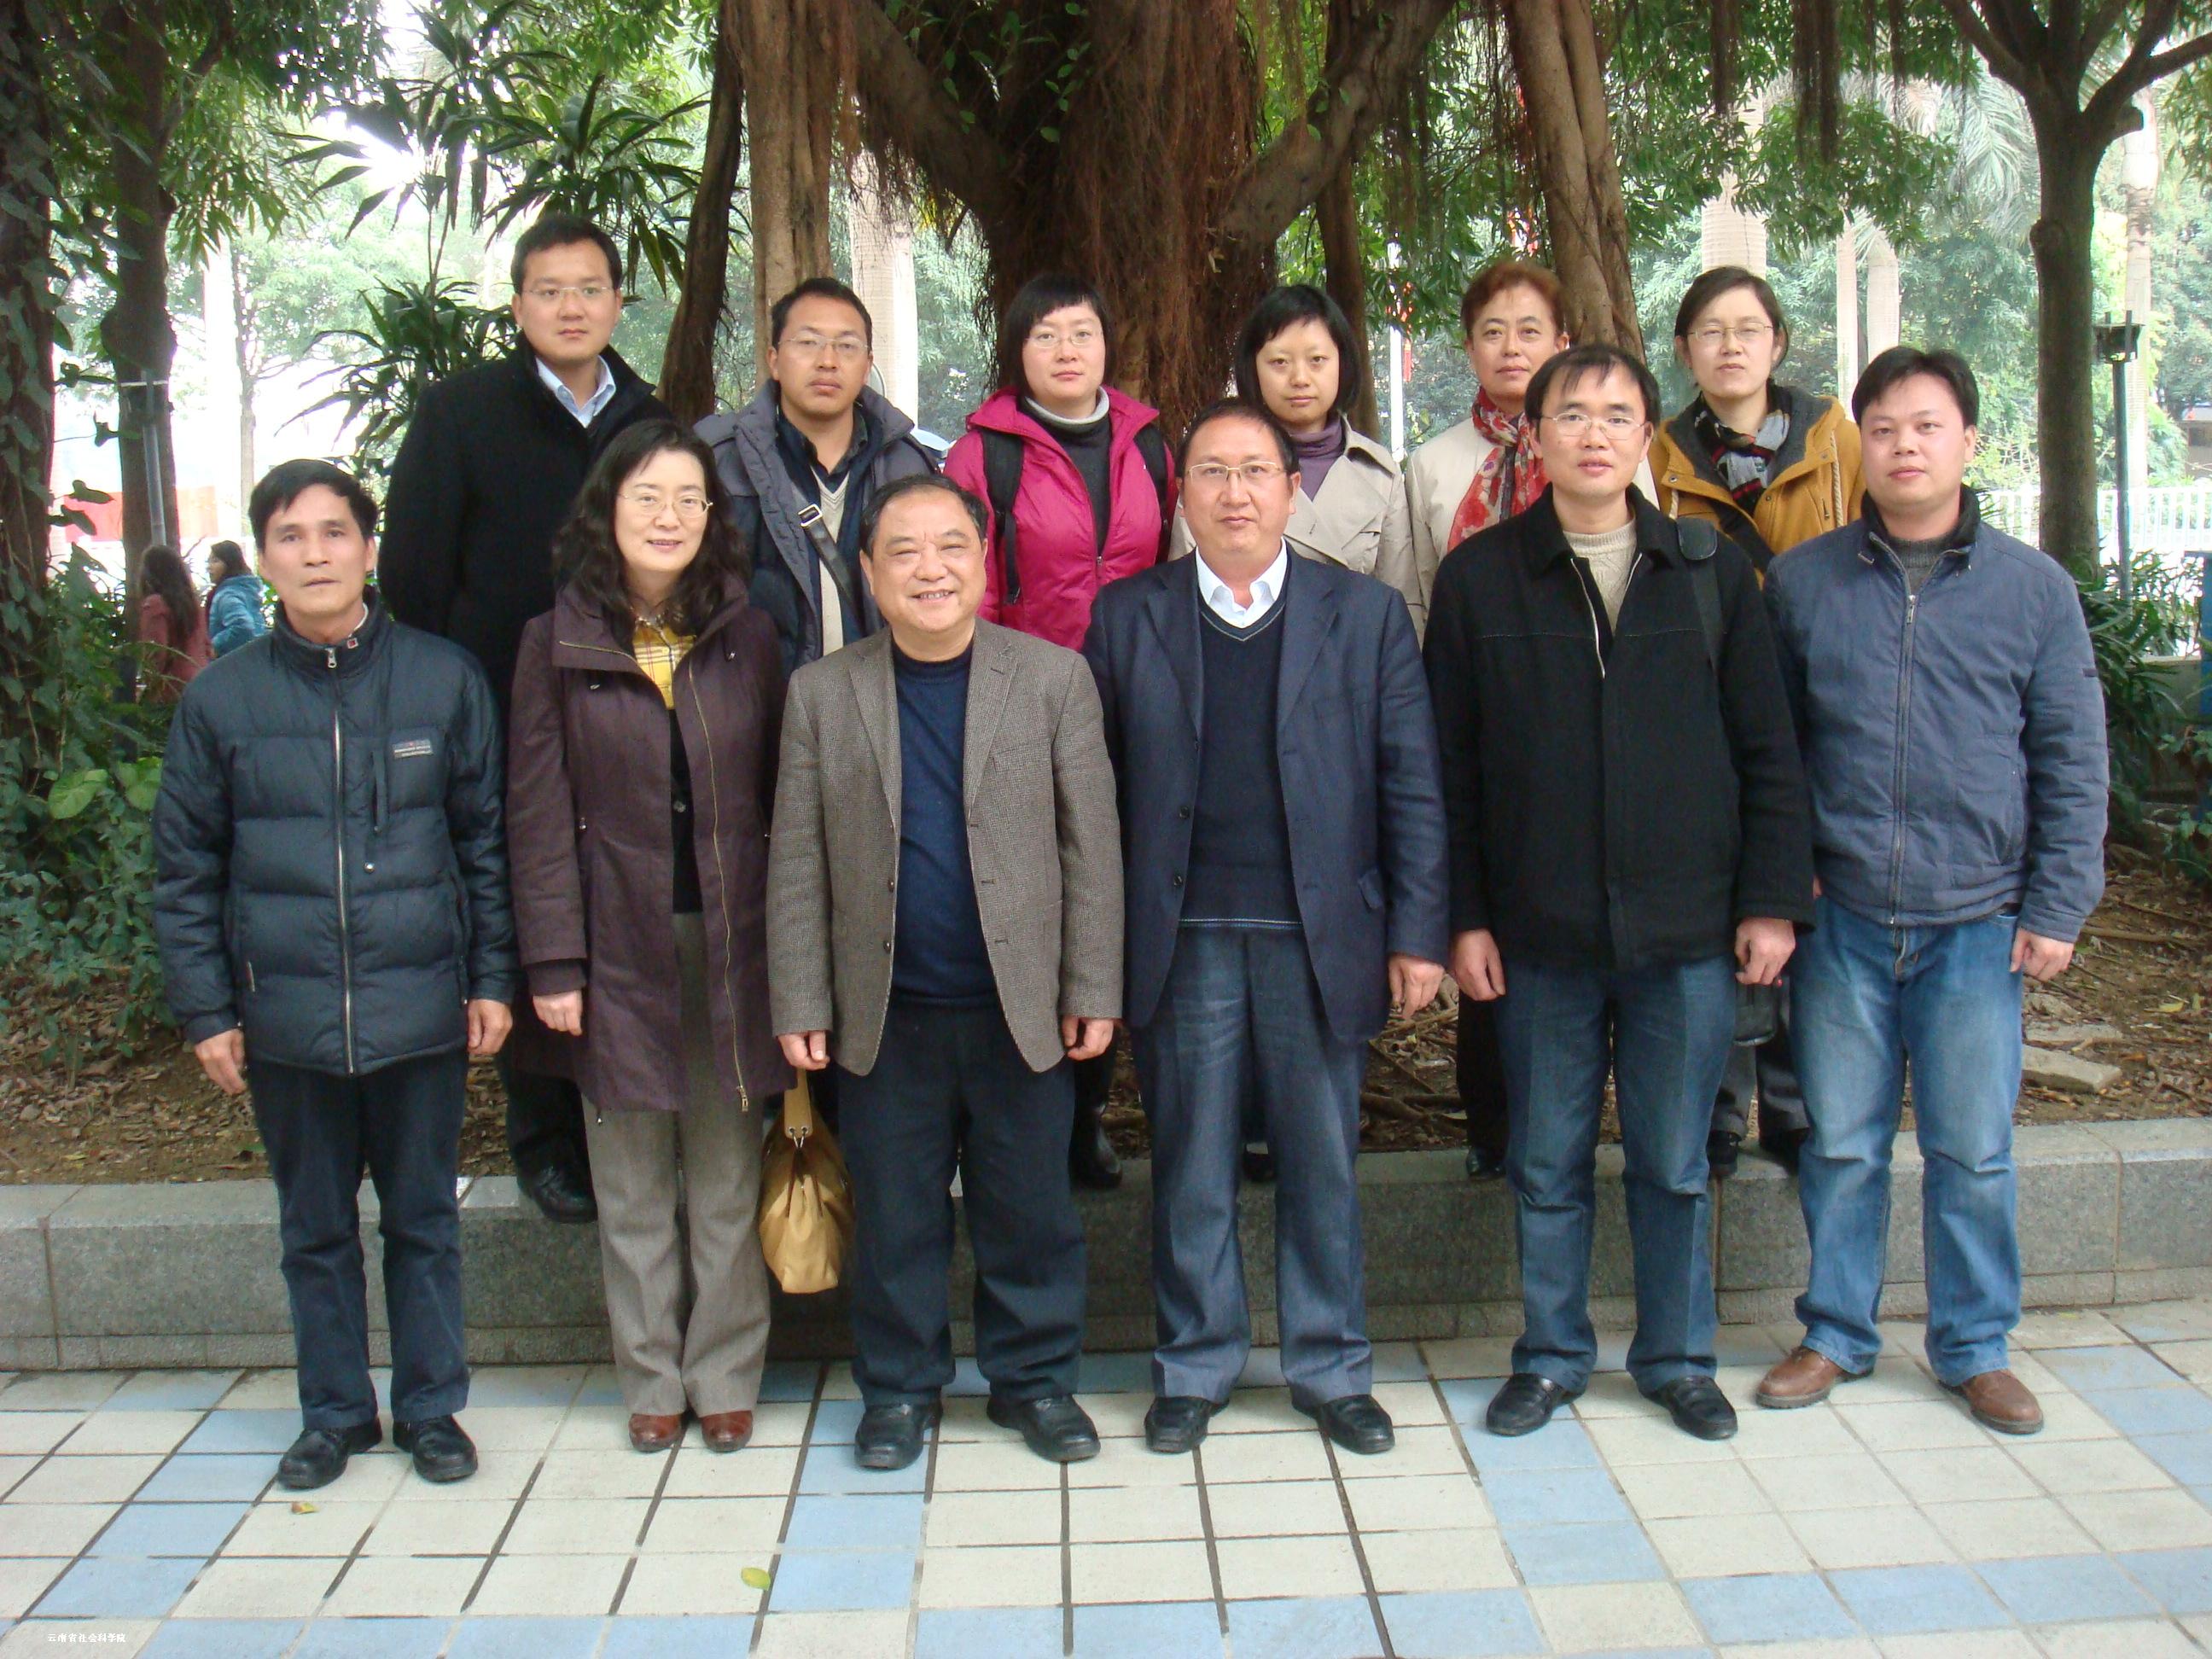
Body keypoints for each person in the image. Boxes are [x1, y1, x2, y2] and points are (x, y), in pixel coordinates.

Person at [1424, 345, 1813, 1443]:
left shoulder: (1708, 571)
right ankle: (1551, 1358)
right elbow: (1450, 769)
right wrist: (1464, 918)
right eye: (1571, 415)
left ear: (1647, 436)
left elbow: (1769, 751)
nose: (1593, 434)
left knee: (1674, 1165)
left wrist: (1770, 902)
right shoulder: (1481, 579)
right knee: (1545, 1161)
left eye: (1616, 415)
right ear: (1535, 434)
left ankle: (1676, 1359)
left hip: (1685, 935)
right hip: (1537, 937)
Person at [1084, 398, 1449, 1458]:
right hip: (1182, 934)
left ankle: (1331, 1366)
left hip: (1317, 934)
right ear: (1181, 494)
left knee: (1322, 1163)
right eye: (1212, 471)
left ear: (1293, 491)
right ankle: (1194, 1364)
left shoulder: (1364, 615)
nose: (1235, 493)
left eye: (1256, 472)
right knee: (1190, 1163)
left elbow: (1412, 783)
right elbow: (1093, 798)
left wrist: (1418, 932)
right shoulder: (1128, 616)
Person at [1758, 347, 2106, 1435]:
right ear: (1858, 442)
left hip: (1977, 920)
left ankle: (1973, 1346)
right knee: (1841, 1144)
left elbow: (2071, 755)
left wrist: (2057, 904)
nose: (1905, 446)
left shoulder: (2033, 590)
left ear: (1968, 442)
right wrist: (1787, 878)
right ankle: (1835, 1332)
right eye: (1885, 428)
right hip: (1844, 918)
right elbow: (1772, 752)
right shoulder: (1805, 583)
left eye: (1927, 426)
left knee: (1973, 1151)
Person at [152, 458, 515, 1491]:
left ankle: (432, 1411)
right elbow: (185, 870)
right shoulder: (221, 701)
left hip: (420, 1006)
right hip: (286, 1013)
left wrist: (492, 977)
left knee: (424, 1223)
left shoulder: (442, 679)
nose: (315, 555)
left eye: (334, 532)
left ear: (369, 546)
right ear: (265, 560)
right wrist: (206, 1010)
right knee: (312, 1230)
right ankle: (335, 1413)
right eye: (290, 537)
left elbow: (485, 845)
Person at [767, 474, 1123, 1473]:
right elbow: (796, 857)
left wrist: (1094, 986)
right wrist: (799, 997)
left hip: (1022, 1010)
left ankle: (1034, 1381)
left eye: (951, 547)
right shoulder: (822, 693)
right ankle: (899, 1390)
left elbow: (1092, 846)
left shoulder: (1052, 679)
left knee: (1031, 1210)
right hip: (886, 1013)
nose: (930, 569)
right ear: (868, 573)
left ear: (984, 560)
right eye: (904, 551)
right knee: (896, 1216)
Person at [381, 211, 672, 1227]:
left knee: (617, 903)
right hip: (504, 708)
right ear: (518, 306)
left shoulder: (649, 420)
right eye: (549, 291)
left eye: (589, 289)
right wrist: (460, 693)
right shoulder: (461, 413)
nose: (570, 307)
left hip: (626, 704)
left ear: (618, 302)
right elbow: (413, 575)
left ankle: (623, 1116)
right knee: (527, 907)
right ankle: (545, 1140)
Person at [507, 422, 788, 1455]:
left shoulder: (748, 634)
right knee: (627, 1178)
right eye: (646, 497)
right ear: (606, 511)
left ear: (713, 517)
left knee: (725, 1172)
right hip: (613, 942)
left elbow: (782, 799)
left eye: (688, 499)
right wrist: (553, 960)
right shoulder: (556, 640)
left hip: (730, 936)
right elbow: (535, 812)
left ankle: (725, 1372)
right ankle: (651, 1377)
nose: (668, 518)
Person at [942, 273, 1177, 1193]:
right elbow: (966, 590)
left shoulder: (1150, 442)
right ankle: (1021, 1112)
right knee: (1032, 903)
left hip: (1137, 706)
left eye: (1082, 332)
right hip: (1025, 708)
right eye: (1045, 335)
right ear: (1018, 352)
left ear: (1108, 344)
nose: (1067, 350)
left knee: (1111, 900)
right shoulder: (983, 455)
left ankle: (1089, 1111)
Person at [1650, 265, 1866, 1179]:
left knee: (1804, 891)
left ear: (1778, 343)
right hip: (1704, 700)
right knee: (1718, 896)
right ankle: (1720, 1105)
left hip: (1824, 694)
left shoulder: (1834, 438)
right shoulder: (1658, 453)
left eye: (1748, 329)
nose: (1730, 346)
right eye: (1710, 330)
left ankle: (1795, 1100)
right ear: (1684, 349)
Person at [1401, 262, 1580, 1183]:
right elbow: (1413, 595)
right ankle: (1492, 1121)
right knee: (1482, 906)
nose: (1512, 348)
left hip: (1580, 716)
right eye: (1493, 331)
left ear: (1562, 342)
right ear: (1468, 347)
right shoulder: (1431, 465)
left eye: (1530, 329)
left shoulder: (1598, 448)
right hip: (1469, 708)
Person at [698, 276, 937, 676]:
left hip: (881, 697)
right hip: (758, 697)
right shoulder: (720, 460)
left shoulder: (904, 464)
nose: (828, 360)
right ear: (774, 359)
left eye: (846, 346)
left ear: (867, 366)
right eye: (808, 342)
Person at [135, 544, 211, 701]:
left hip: (172, 688)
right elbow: (207, 647)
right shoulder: (193, 604)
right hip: (202, 681)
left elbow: (156, 653)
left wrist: (148, 691)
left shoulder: (155, 604)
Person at [204, 539, 268, 657]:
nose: (209, 567)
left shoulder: (228, 595)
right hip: (256, 656)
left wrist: (214, 646)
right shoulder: (245, 589)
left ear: (230, 564)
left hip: (233, 662)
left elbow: (243, 626)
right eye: (208, 561)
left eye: (215, 561)